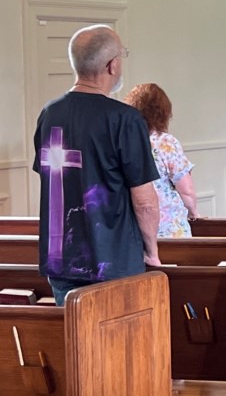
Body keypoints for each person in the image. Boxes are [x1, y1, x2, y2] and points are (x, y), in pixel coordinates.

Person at [33, 25, 161, 305]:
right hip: (113, 260)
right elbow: (144, 201)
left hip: (61, 258)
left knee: (74, 332)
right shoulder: (124, 119)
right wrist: (151, 251)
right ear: (112, 65)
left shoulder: (49, 114)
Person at [125, 83, 201, 237]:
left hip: (135, 229)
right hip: (169, 228)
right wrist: (194, 212)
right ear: (163, 113)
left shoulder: (124, 142)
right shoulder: (166, 143)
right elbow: (186, 190)